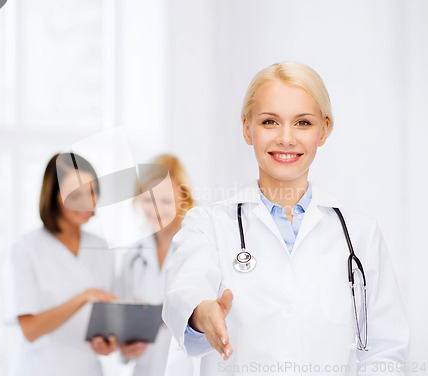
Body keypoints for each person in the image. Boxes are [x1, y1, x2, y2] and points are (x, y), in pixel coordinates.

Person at [162, 62, 409, 375]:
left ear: (324, 130)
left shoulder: (360, 233)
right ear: (246, 128)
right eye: (270, 122)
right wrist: (204, 313)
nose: (286, 138)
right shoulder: (208, 224)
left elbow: (385, 352)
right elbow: (185, 289)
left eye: (303, 123)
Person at [5, 152, 118, 376]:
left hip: (88, 370)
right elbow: (30, 330)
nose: (87, 201)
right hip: (41, 369)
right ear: (54, 195)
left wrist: (108, 345)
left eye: (92, 191)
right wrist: (83, 297)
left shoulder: (103, 248)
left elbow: (106, 322)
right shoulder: (27, 248)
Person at [117, 154, 198, 376]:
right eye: (147, 200)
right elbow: (123, 324)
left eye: (165, 200)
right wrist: (124, 347)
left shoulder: (199, 247)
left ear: (182, 197)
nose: (155, 210)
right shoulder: (132, 257)